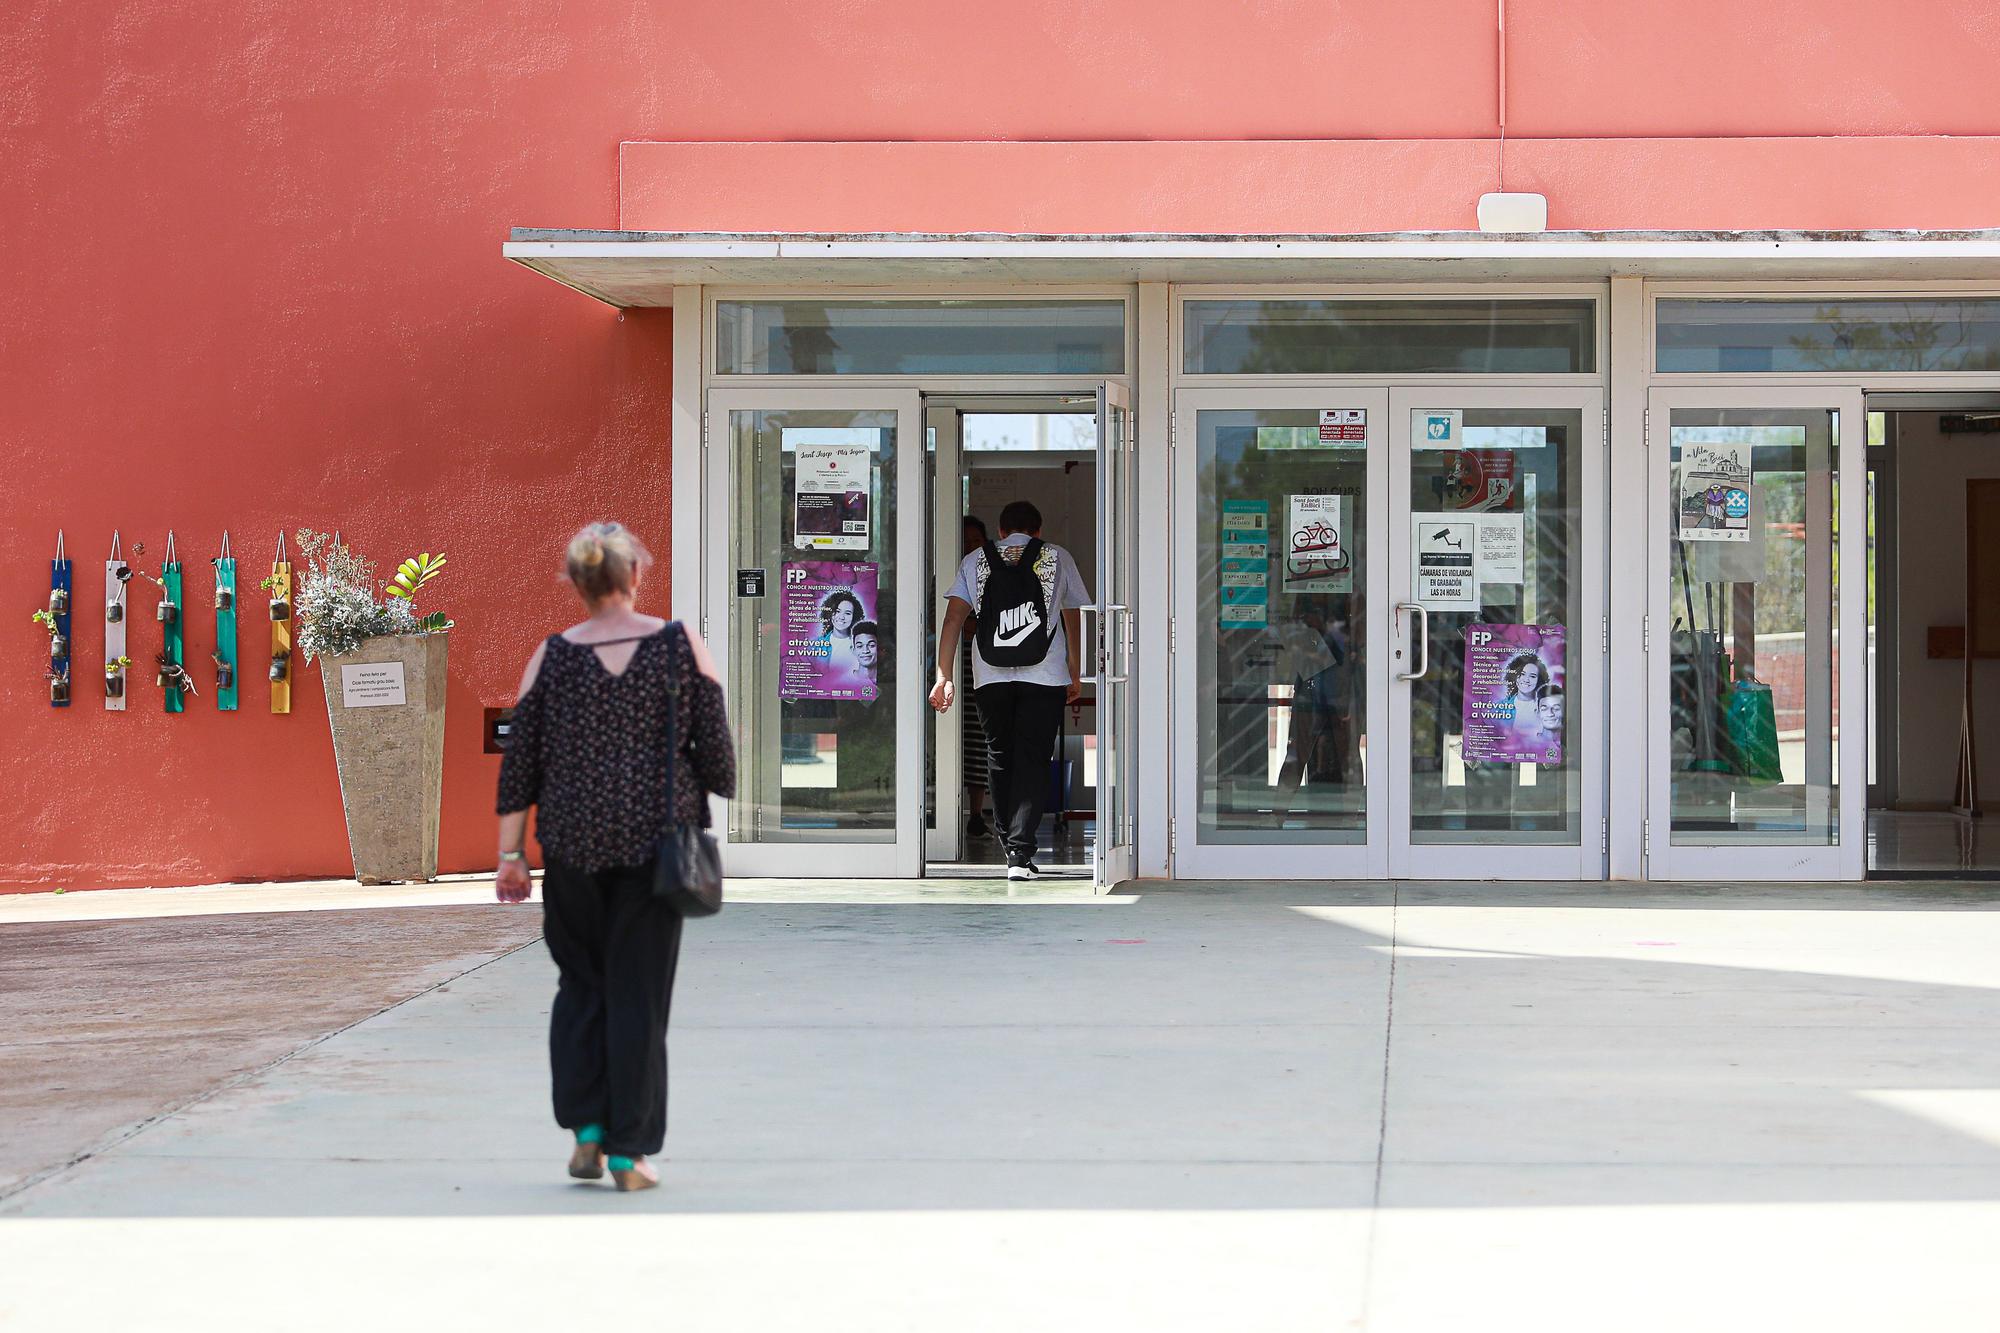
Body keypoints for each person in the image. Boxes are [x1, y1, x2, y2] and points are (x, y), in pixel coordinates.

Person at [494, 522, 735, 1193]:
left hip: (572, 849)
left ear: (576, 583)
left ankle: (587, 1131)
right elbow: (717, 756)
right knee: (639, 997)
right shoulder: (678, 644)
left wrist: (510, 853)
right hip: (654, 850)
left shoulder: (553, 657)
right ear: (635, 576)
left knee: (581, 987)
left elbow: (522, 767)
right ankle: (630, 1153)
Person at [929, 500, 1088, 880]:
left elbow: (953, 618)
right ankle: (1021, 852)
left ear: (1000, 531)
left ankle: (1007, 846)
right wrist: (1075, 671)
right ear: (1038, 529)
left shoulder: (975, 561)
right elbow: (1073, 614)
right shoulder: (1056, 556)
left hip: (990, 675)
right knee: (1033, 758)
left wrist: (943, 675)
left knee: (1000, 754)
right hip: (1045, 674)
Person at [957, 516, 992, 840]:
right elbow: (940, 620)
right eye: (965, 541)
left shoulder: (997, 576)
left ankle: (977, 813)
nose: (970, 546)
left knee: (980, 741)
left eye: (975, 540)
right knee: (955, 741)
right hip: (956, 670)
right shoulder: (952, 574)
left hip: (986, 668)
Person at [816, 589, 864, 672]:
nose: (842, 617)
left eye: (847, 613)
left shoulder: (861, 644)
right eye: (837, 611)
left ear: (854, 617)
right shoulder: (817, 644)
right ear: (830, 614)